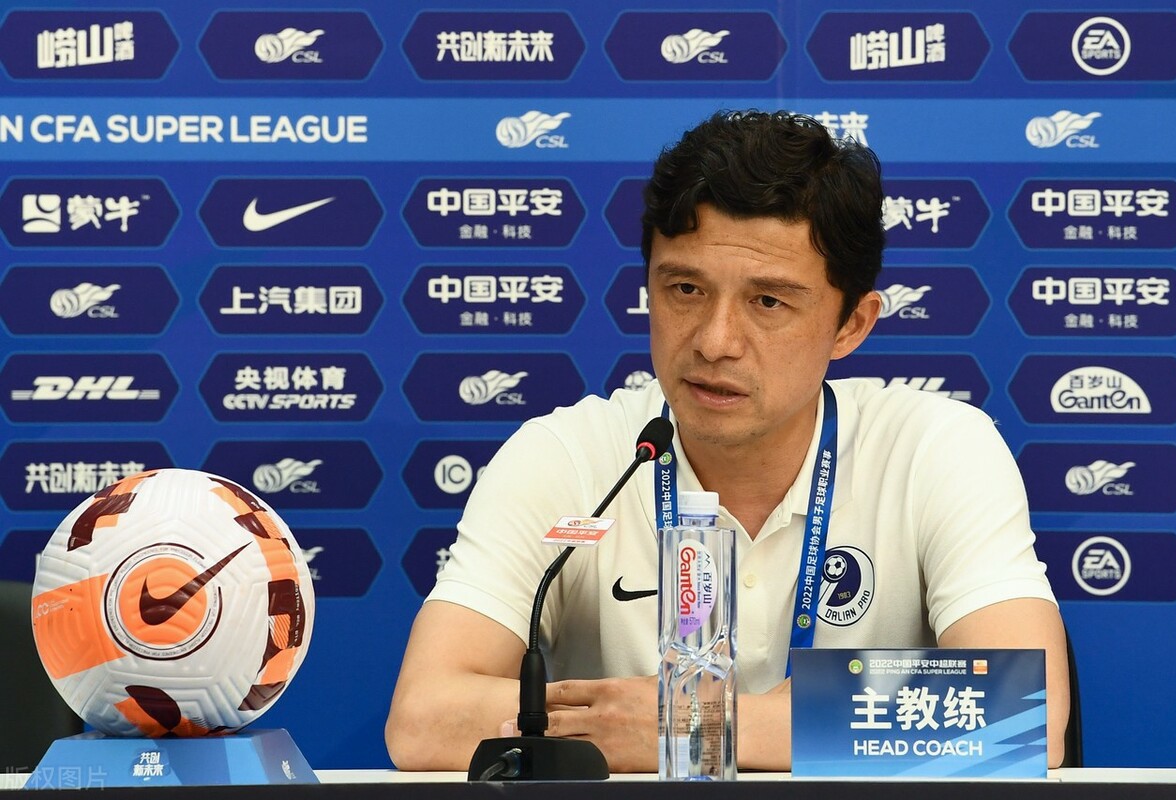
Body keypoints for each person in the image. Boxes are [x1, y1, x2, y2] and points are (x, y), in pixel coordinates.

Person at [386, 110, 1069, 772]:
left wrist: (688, 724)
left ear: (851, 325)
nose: (715, 342)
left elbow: (1023, 714)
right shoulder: (565, 456)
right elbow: (422, 716)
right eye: (685, 288)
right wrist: (804, 721)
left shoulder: (935, 449)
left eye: (768, 302)